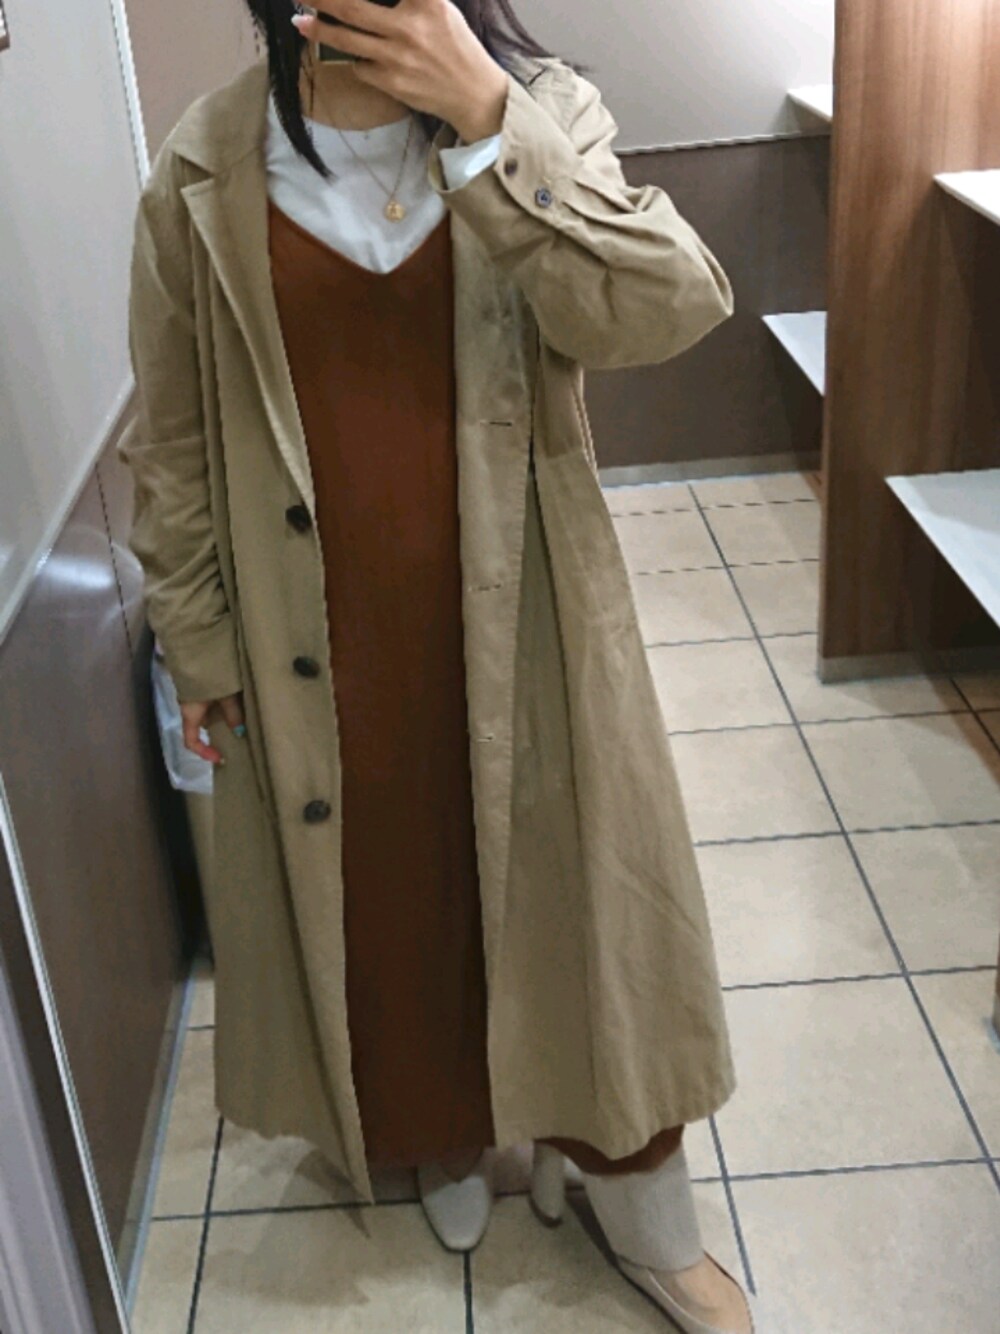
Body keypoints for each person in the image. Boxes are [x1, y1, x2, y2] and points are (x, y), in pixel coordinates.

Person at [122, 2, 753, 1330]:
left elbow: (669, 306)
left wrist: (486, 124)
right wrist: (199, 638)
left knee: (583, 898)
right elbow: (173, 441)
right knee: (391, 899)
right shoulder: (204, 166)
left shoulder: (541, 110)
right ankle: (444, 1135)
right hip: (317, 634)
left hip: (531, 611)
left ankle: (637, 1201)